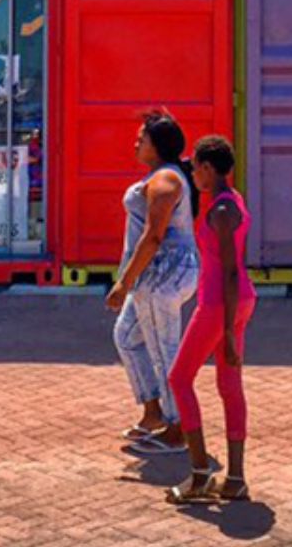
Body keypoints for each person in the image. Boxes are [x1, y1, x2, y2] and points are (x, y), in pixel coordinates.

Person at [165, 135, 257, 505]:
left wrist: (230, 336)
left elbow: (230, 272)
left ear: (207, 168)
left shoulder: (219, 212)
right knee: (229, 385)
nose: (193, 175)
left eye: (195, 168)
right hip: (238, 302)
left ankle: (201, 473)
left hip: (220, 304)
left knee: (179, 378)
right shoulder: (233, 201)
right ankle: (234, 479)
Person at [108, 111, 200, 456]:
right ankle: (153, 413)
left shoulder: (165, 181)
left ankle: (178, 429)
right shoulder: (163, 176)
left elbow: (154, 236)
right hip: (152, 277)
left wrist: (124, 282)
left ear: (158, 145)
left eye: (141, 138)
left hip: (162, 276)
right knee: (127, 337)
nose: (135, 143)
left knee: (165, 352)